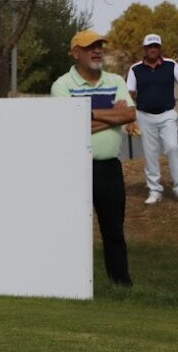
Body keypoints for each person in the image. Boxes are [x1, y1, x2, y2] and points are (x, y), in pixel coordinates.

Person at [51, 30, 136, 286]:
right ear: (76, 53)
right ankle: (68, 282)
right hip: (75, 167)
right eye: (90, 47)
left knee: (113, 230)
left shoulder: (116, 80)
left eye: (100, 46)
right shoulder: (63, 85)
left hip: (109, 166)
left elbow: (129, 115)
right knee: (72, 229)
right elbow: (70, 129)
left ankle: (121, 283)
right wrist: (112, 116)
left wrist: (86, 115)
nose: (97, 50)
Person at [126, 33, 178, 205]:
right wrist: (129, 119)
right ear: (145, 49)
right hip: (144, 115)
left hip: (167, 114)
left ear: (160, 48)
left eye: (156, 46)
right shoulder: (135, 69)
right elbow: (130, 94)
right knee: (150, 154)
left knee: (173, 147)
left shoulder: (172, 65)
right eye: (150, 47)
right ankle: (155, 190)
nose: (153, 49)